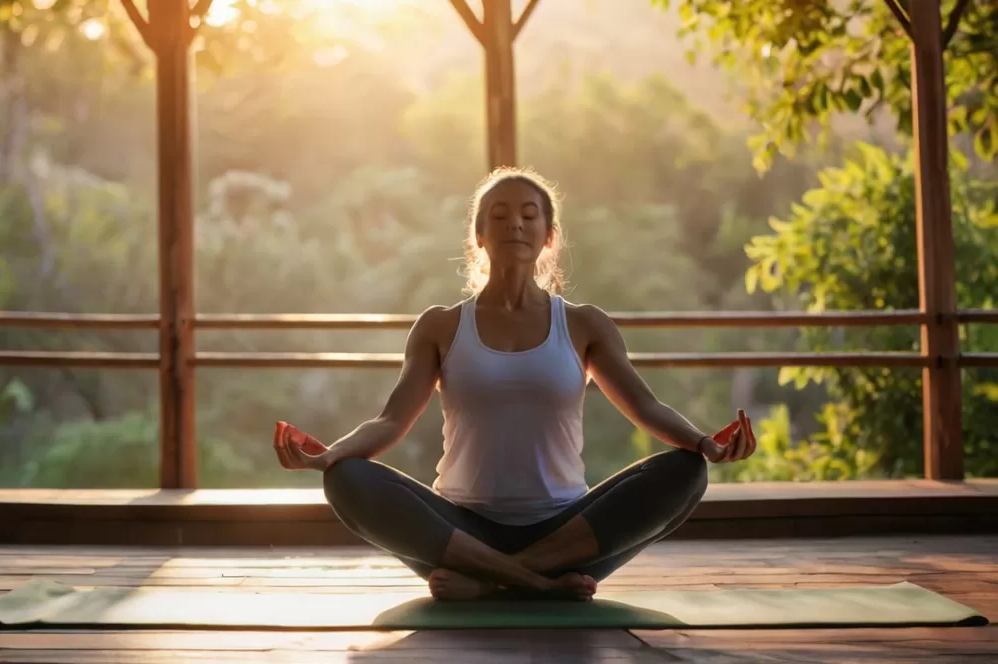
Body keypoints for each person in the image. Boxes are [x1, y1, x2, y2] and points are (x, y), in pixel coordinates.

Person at [273, 167, 757, 601]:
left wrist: (703, 443)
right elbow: (390, 420)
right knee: (347, 479)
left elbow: (646, 407)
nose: (515, 225)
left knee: (687, 473)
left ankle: (497, 579)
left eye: (529, 215)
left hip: (567, 532)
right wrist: (330, 454)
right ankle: (534, 583)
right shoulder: (440, 327)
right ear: (479, 235)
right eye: (499, 216)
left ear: (549, 236)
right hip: (458, 531)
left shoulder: (586, 325)